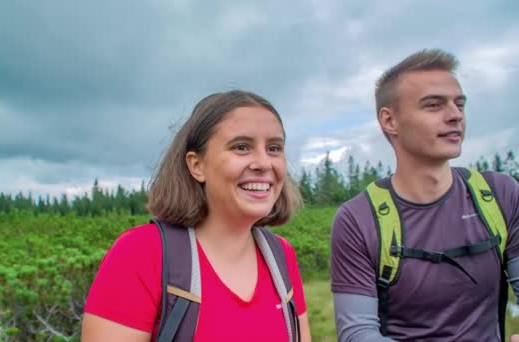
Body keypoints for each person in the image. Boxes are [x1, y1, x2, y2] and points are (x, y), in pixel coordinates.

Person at [81, 90, 311, 341]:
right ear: (196, 165)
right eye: (241, 147)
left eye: (274, 148)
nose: (264, 163)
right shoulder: (141, 254)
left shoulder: (280, 256)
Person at [330, 48, 519, 341]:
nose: (455, 115)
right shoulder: (358, 219)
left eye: (460, 104)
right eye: (434, 105)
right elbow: (357, 333)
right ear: (389, 121)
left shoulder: (499, 195)